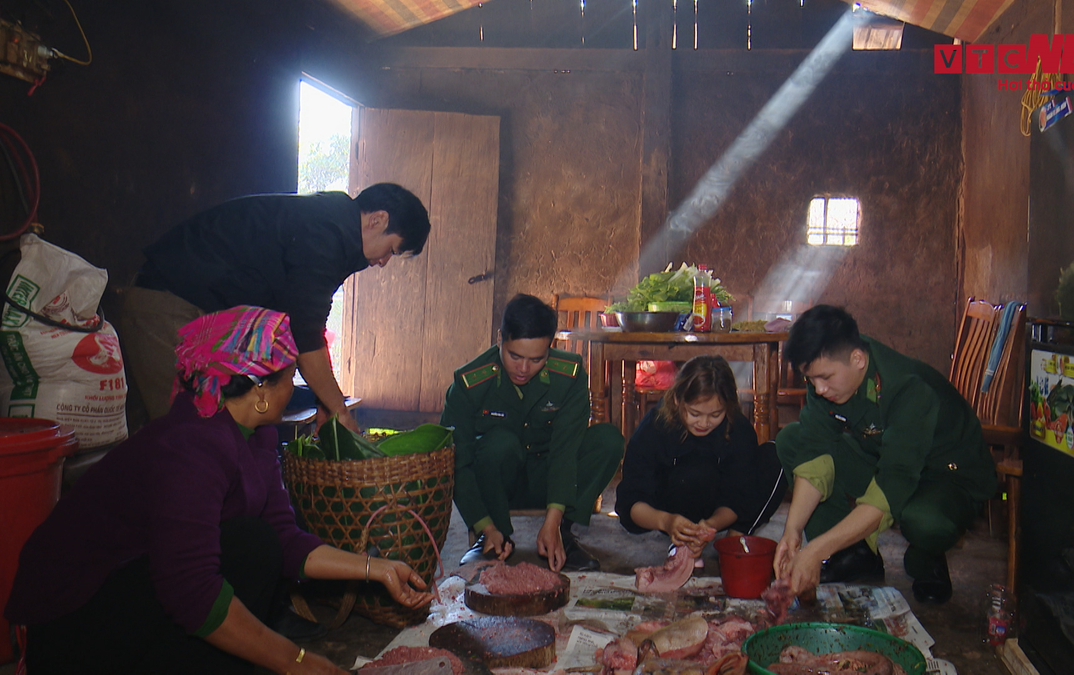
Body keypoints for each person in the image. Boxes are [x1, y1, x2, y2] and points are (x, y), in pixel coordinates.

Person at [5, 307, 433, 674]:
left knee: (258, 546)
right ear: (261, 390)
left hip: (135, 589)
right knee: (247, 550)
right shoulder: (191, 445)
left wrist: (376, 568)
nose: (295, 388)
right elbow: (191, 590)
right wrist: (295, 660)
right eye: (291, 377)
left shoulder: (255, 434)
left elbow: (285, 539)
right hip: (71, 619)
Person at [121, 183, 431, 433]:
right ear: (377, 220)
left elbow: (308, 326)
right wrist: (338, 410)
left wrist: (326, 401)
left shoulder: (334, 229)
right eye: (392, 250)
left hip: (199, 312)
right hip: (166, 303)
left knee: (205, 435)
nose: (383, 262)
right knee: (182, 434)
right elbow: (306, 336)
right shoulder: (327, 233)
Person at [772, 305, 996, 605]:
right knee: (792, 439)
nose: (819, 389)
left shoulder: (907, 388)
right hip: (889, 460)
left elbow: (893, 483)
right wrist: (793, 531)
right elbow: (814, 455)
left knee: (924, 521)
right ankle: (854, 553)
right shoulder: (827, 380)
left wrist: (816, 551)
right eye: (811, 380)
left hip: (945, 477)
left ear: (858, 359)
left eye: (824, 378)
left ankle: (926, 557)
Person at [441, 294, 625, 572]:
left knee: (608, 441)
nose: (524, 369)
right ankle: (491, 538)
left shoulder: (569, 376)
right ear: (500, 338)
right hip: (498, 486)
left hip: (550, 482)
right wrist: (484, 525)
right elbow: (456, 461)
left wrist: (553, 521)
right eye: (514, 356)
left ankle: (562, 533)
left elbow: (565, 451)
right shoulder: (469, 383)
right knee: (498, 445)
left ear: (550, 347)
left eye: (537, 359)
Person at [616, 355, 786, 556]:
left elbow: (740, 494)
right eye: (694, 414)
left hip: (717, 511)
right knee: (694, 471)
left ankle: (735, 537)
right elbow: (631, 501)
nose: (704, 423)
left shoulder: (738, 428)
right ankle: (682, 540)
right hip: (669, 510)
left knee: (778, 455)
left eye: (715, 415)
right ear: (677, 400)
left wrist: (711, 526)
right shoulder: (654, 426)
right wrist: (666, 522)